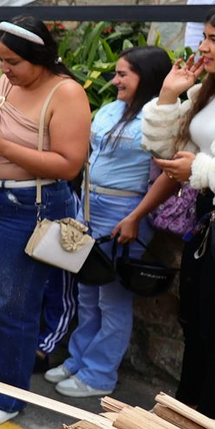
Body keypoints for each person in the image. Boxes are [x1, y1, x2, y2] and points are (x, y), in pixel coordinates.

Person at [0, 17, 91, 426]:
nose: (3, 70)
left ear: (39, 58)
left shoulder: (67, 93)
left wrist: (0, 145)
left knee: (15, 305)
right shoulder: (7, 84)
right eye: (0, 60)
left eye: (12, 62)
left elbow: (68, 164)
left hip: (32, 206)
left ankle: (6, 397)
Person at [39, 47, 174, 398]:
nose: (115, 80)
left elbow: (166, 177)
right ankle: (78, 360)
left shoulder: (159, 117)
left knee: (112, 299)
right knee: (86, 290)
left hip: (124, 212)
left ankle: (99, 375)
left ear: (147, 76)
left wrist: (135, 218)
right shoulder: (111, 109)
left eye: (123, 74)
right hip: (89, 206)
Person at [142, 7, 215, 419]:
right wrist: (168, 94)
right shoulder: (212, 88)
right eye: (205, 37)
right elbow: (166, 148)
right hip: (205, 218)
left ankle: (202, 425)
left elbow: (202, 165)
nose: (203, 46)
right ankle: (182, 411)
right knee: (193, 322)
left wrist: (196, 170)